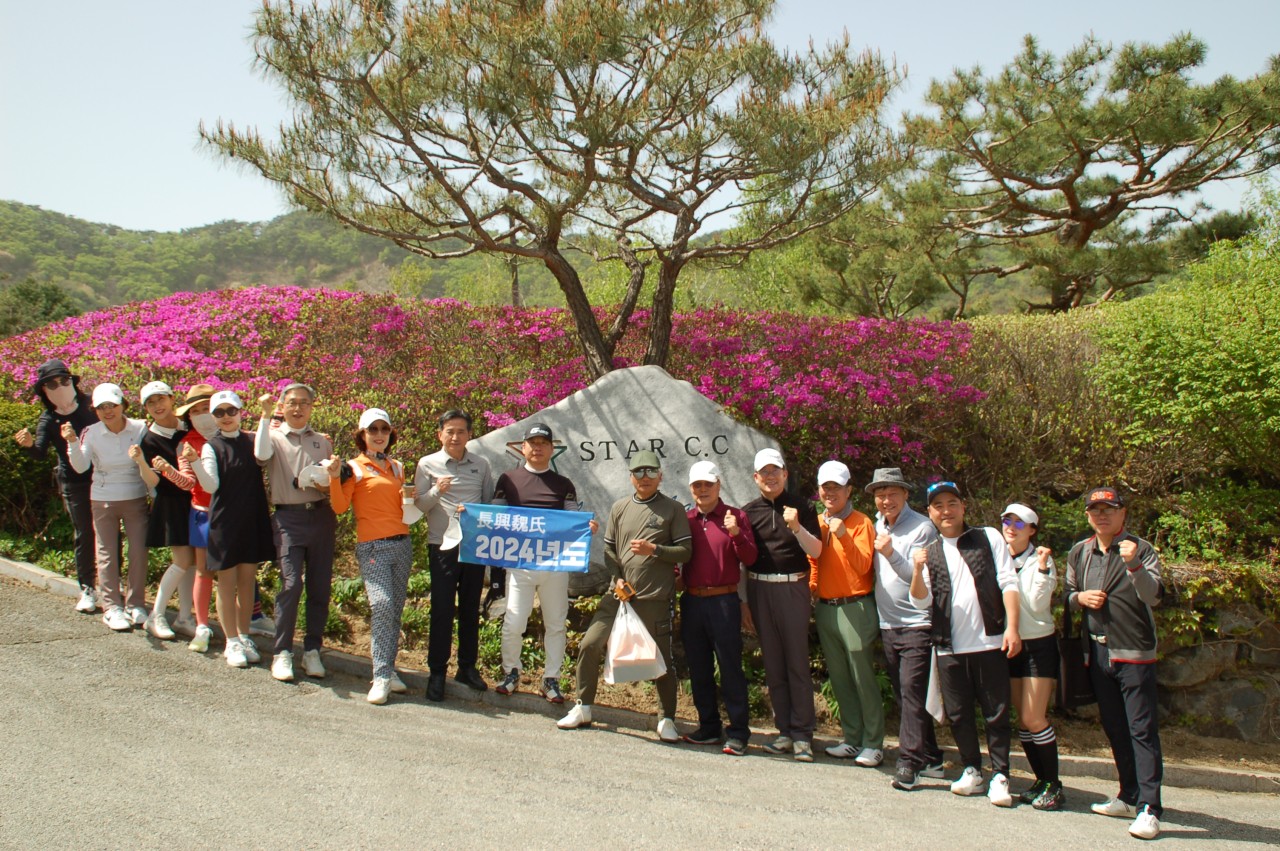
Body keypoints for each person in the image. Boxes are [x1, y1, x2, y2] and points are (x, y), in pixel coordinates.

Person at [557, 450, 692, 741]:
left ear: (661, 476)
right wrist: (617, 577)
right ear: (631, 477)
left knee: (662, 660)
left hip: (655, 598)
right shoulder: (619, 507)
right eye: (638, 472)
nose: (645, 478)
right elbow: (608, 550)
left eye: (651, 472)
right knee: (590, 644)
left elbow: (685, 551)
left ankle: (666, 718)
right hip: (617, 597)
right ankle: (583, 706)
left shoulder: (672, 510)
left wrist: (654, 550)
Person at [910, 481, 1021, 808]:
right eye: (938, 505)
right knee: (958, 715)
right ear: (930, 512)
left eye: (952, 503)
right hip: (948, 647)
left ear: (963, 506)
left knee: (996, 713)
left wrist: (1012, 628)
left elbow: (1008, 581)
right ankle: (972, 769)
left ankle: (1001, 774)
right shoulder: (930, 551)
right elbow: (920, 602)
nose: (946, 511)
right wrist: (917, 569)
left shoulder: (988, 537)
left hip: (990, 641)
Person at [1066, 487, 1165, 840]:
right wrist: (1080, 598)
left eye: (1109, 509)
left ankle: (1150, 808)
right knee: (1114, 727)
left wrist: (1134, 564)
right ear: (1088, 516)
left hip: (1134, 652)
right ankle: (1128, 794)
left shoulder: (1140, 549)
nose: (1101, 515)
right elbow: (1067, 594)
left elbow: (1153, 595)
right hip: (1097, 652)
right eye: (1095, 510)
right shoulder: (1081, 551)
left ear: (1123, 513)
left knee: (1142, 730)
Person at [492, 423, 596, 703]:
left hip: (555, 567)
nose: (537, 448)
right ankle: (511, 672)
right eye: (532, 442)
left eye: (543, 443)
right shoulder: (508, 480)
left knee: (556, 624)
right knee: (514, 621)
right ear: (522, 447)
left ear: (552, 448)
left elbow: (573, 521)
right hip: (519, 564)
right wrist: (472, 517)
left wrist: (587, 528)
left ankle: (551, 679)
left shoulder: (563, 485)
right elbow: (494, 518)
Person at [865, 467, 945, 791]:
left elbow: (916, 578)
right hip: (888, 624)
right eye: (880, 494)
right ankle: (933, 757)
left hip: (917, 624)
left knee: (912, 693)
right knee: (906, 696)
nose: (886, 500)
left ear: (906, 495)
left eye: (892, 493)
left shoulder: (922, 528)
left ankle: (909, 762)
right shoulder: (876, 525)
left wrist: (888, 551)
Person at [328, 407, 414, 704]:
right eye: (372, 430)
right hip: (373, 547)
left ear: (390, 434)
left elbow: (404, 507)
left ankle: (388, 669)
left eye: (384, 429)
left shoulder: (398, 467)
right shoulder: (353, 467)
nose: (379, 435)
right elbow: (339, 507)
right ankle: (380, 675)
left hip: (402, 543)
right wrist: (332, 479)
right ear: (362, 435)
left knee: (395, 609)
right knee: (382, 604)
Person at [742, 448, 823, 762]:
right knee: (773, 664)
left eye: (776, 470)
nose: (771, 476)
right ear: (756, 477)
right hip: (760, 588)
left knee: (796, 663)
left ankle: (803, 734)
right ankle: (785, 731)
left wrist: (796, 526)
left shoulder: (803, 507)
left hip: (793, 588)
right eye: (765, 472)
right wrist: (744, 602)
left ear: (785, 474)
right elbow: (743, 561)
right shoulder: (748, 512)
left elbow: (816, 550)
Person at [254, 384, 336, 682]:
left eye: (304, 403)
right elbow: (260, 455)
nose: (298, 408)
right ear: (282, 405)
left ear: (313, 406)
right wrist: (265, 417)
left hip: (321, 516)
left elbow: (329, 480)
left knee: (319, 587)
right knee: (290, 585)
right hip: (288, 519)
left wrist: (328, 482)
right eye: (292, 403)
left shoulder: (321, 442)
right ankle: (282, 652)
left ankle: (312, 650)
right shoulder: (273, 437)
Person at [675, 460, 758, 755]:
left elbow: (749, 558)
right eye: (697, 485)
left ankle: (738, 732)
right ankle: (708, 727)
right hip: (693, 601)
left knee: (730, 667)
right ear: (691, 489)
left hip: (724, 601)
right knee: (698, 668)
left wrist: (736, 533)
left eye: (708, 484)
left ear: (718, 485)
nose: (703, 490)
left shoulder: (736, 517)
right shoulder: (686, 520)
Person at [191, 391, 277, 668]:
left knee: (247, 582)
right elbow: (211, 486)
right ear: (214, 417)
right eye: (219, 413)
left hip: (251, 518)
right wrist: (194, 462)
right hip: (225, 522)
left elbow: (264, 454)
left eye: (231, 411)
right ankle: (232, 641)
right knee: (227, 584)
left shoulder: (252, 439)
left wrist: (265, 417)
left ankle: (243, 635)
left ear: (241, 412)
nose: (226, 417)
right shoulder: (210, 446)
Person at [413, 409, 494, 701]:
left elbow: (488, 503)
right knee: (442, 609)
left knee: (471, 608)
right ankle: (437, 672)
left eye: (461, 431)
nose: (455, 436)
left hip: (473, 547)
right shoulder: (427, 464)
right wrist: (436, 491)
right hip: (441, 546)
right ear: (440, 434)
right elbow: (418, 506)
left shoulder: (481, 465)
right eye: (450, 431)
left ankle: (467, 667)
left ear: (469, 434)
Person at [807, 461, 883, 766]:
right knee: (839, 677)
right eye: (826, 487)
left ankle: (874, 743)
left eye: (837, 487)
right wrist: (813, 585)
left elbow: (864, 565)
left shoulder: (861, 522)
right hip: (826, 608)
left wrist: (843, 535)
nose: (830, 493)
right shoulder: (817, 521)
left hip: (856, 607)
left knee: (862, 676)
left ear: (848, 490)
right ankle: (852, 739)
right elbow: (814, 560)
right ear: (819, 491)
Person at [14, 359, 99, 613]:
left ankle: (111, 587)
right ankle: (87, 588)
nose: (60, 386)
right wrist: (29, 445)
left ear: (73, 382)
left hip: (104, 478)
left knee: (108, 534)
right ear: (44, 392)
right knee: (85, 533)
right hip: (74, 483)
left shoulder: (90, 406)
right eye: (52, 384)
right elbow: (40, 453)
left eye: (64, 380)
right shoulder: (48, 419)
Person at [65, 383, 152, 632]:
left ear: (122, 405)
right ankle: (112, 607)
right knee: (106, 554)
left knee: (138, 551)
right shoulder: (91, 432)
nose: (107, 411)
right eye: (101, 407)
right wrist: (72, 442)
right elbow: (81, 467)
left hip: (135, 496)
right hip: (102, 498)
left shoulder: (139, 428)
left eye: (111, 405)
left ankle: (136, 604)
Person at [1001, 502, 1063, 810]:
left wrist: (1040, 567)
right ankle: (1040, 779)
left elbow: (1038, 605)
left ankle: (1054, 782)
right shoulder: (1000, 558)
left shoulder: (1042, 561)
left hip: (1039, 645)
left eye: (1020, 524)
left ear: (1033, 530)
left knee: (1033, 717)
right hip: (1012, 645)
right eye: (1007, 521)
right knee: (1023, 723)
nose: (1012, 528)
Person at [136, 381, 196, 640]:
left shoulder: (188, 427)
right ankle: (156, 615)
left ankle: (184, 616)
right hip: (171, 504)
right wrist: (141, 462)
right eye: (150, 403)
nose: (157, 406)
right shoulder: (149, 439)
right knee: (182, 561)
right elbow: (154, 482)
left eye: (161, 399)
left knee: (191, 562)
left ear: (172, 399)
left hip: (195, 502)